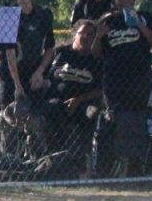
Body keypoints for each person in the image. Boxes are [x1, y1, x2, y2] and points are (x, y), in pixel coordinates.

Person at [91, 0, 152, 177]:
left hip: (138, 79)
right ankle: (105, 169)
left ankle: (135, 168)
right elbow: (96, 54)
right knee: (113, 119)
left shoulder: (144, 17)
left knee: (136, 120)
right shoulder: (108, 20)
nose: (125, 1)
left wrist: (139, 25)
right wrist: (99, 35)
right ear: (115, 0)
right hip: (114, 81)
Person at [34, 19, 102, 168]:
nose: (85, 37)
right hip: (57, 100)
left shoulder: (96, 60)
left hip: (83, 103)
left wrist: (78, 100)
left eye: (90, 34)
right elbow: (41, 73)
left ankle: (84, 161)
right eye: (82, 33)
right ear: (74, 34)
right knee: (54, 109)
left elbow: (101, 90)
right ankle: (56, 159)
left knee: (93, 113)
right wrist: (41, 81)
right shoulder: (60, 53)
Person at [0, 0, 55, 109]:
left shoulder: (44, 14)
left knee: (37, 113)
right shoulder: (6, 14)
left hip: (34, 72)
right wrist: (17, 84)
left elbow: (50, 48)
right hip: (13, 74)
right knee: (12, 114)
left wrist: (40, 72)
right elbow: (9, 52)